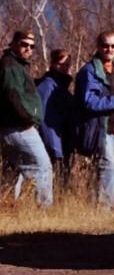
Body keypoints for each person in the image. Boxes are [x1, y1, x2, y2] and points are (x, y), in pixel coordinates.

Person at [75, 31, 114, 208]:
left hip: (113, 127)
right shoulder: (89, 71)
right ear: (98, 46)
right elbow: (88, 101)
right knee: (109, 168)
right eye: (105, 45)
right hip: (98, 128)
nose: (109, 49)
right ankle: (103, 211)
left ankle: (97, 208)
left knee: (103, 169)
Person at [0, 31, 53, 207]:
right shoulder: (11, 66)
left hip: (12, 126)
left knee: (17, 172)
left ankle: (10, 210)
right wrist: (28, 119)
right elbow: (13, 95)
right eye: (24, 44)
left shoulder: (17, 66)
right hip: (19, 127)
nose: (28, 49)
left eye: (32, 46)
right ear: (14, 44)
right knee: (42, 166)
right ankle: (44, 212)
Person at [36, 49, 75, 189]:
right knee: (52, 178)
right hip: (54, 144)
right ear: (52, 64)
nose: (65, 67)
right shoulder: (47, 86)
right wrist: (54, 147)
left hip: (64, 141)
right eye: (61, 64)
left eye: (68, 65)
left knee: (63, 179)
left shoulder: (62, 87)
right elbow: (45, 118)